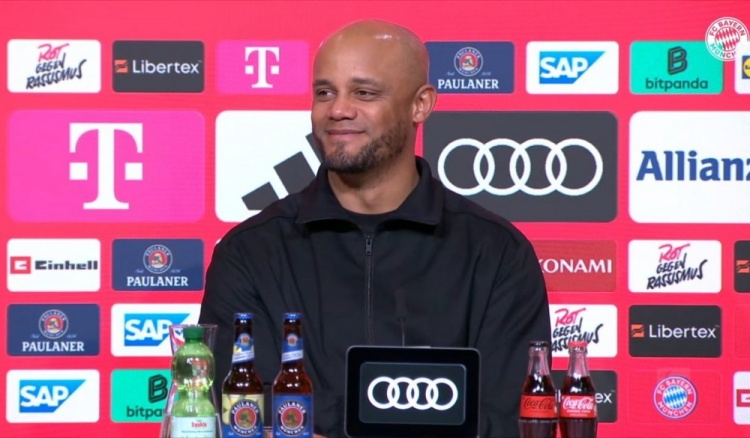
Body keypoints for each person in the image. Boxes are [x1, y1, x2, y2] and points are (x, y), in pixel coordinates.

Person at [199, 19, 551, 438]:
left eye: (363, 93)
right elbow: (244, 421)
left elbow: (510, 422)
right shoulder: (250, 252)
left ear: (421, 104)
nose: (338, 110)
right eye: (324, 92)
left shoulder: (496, 254)